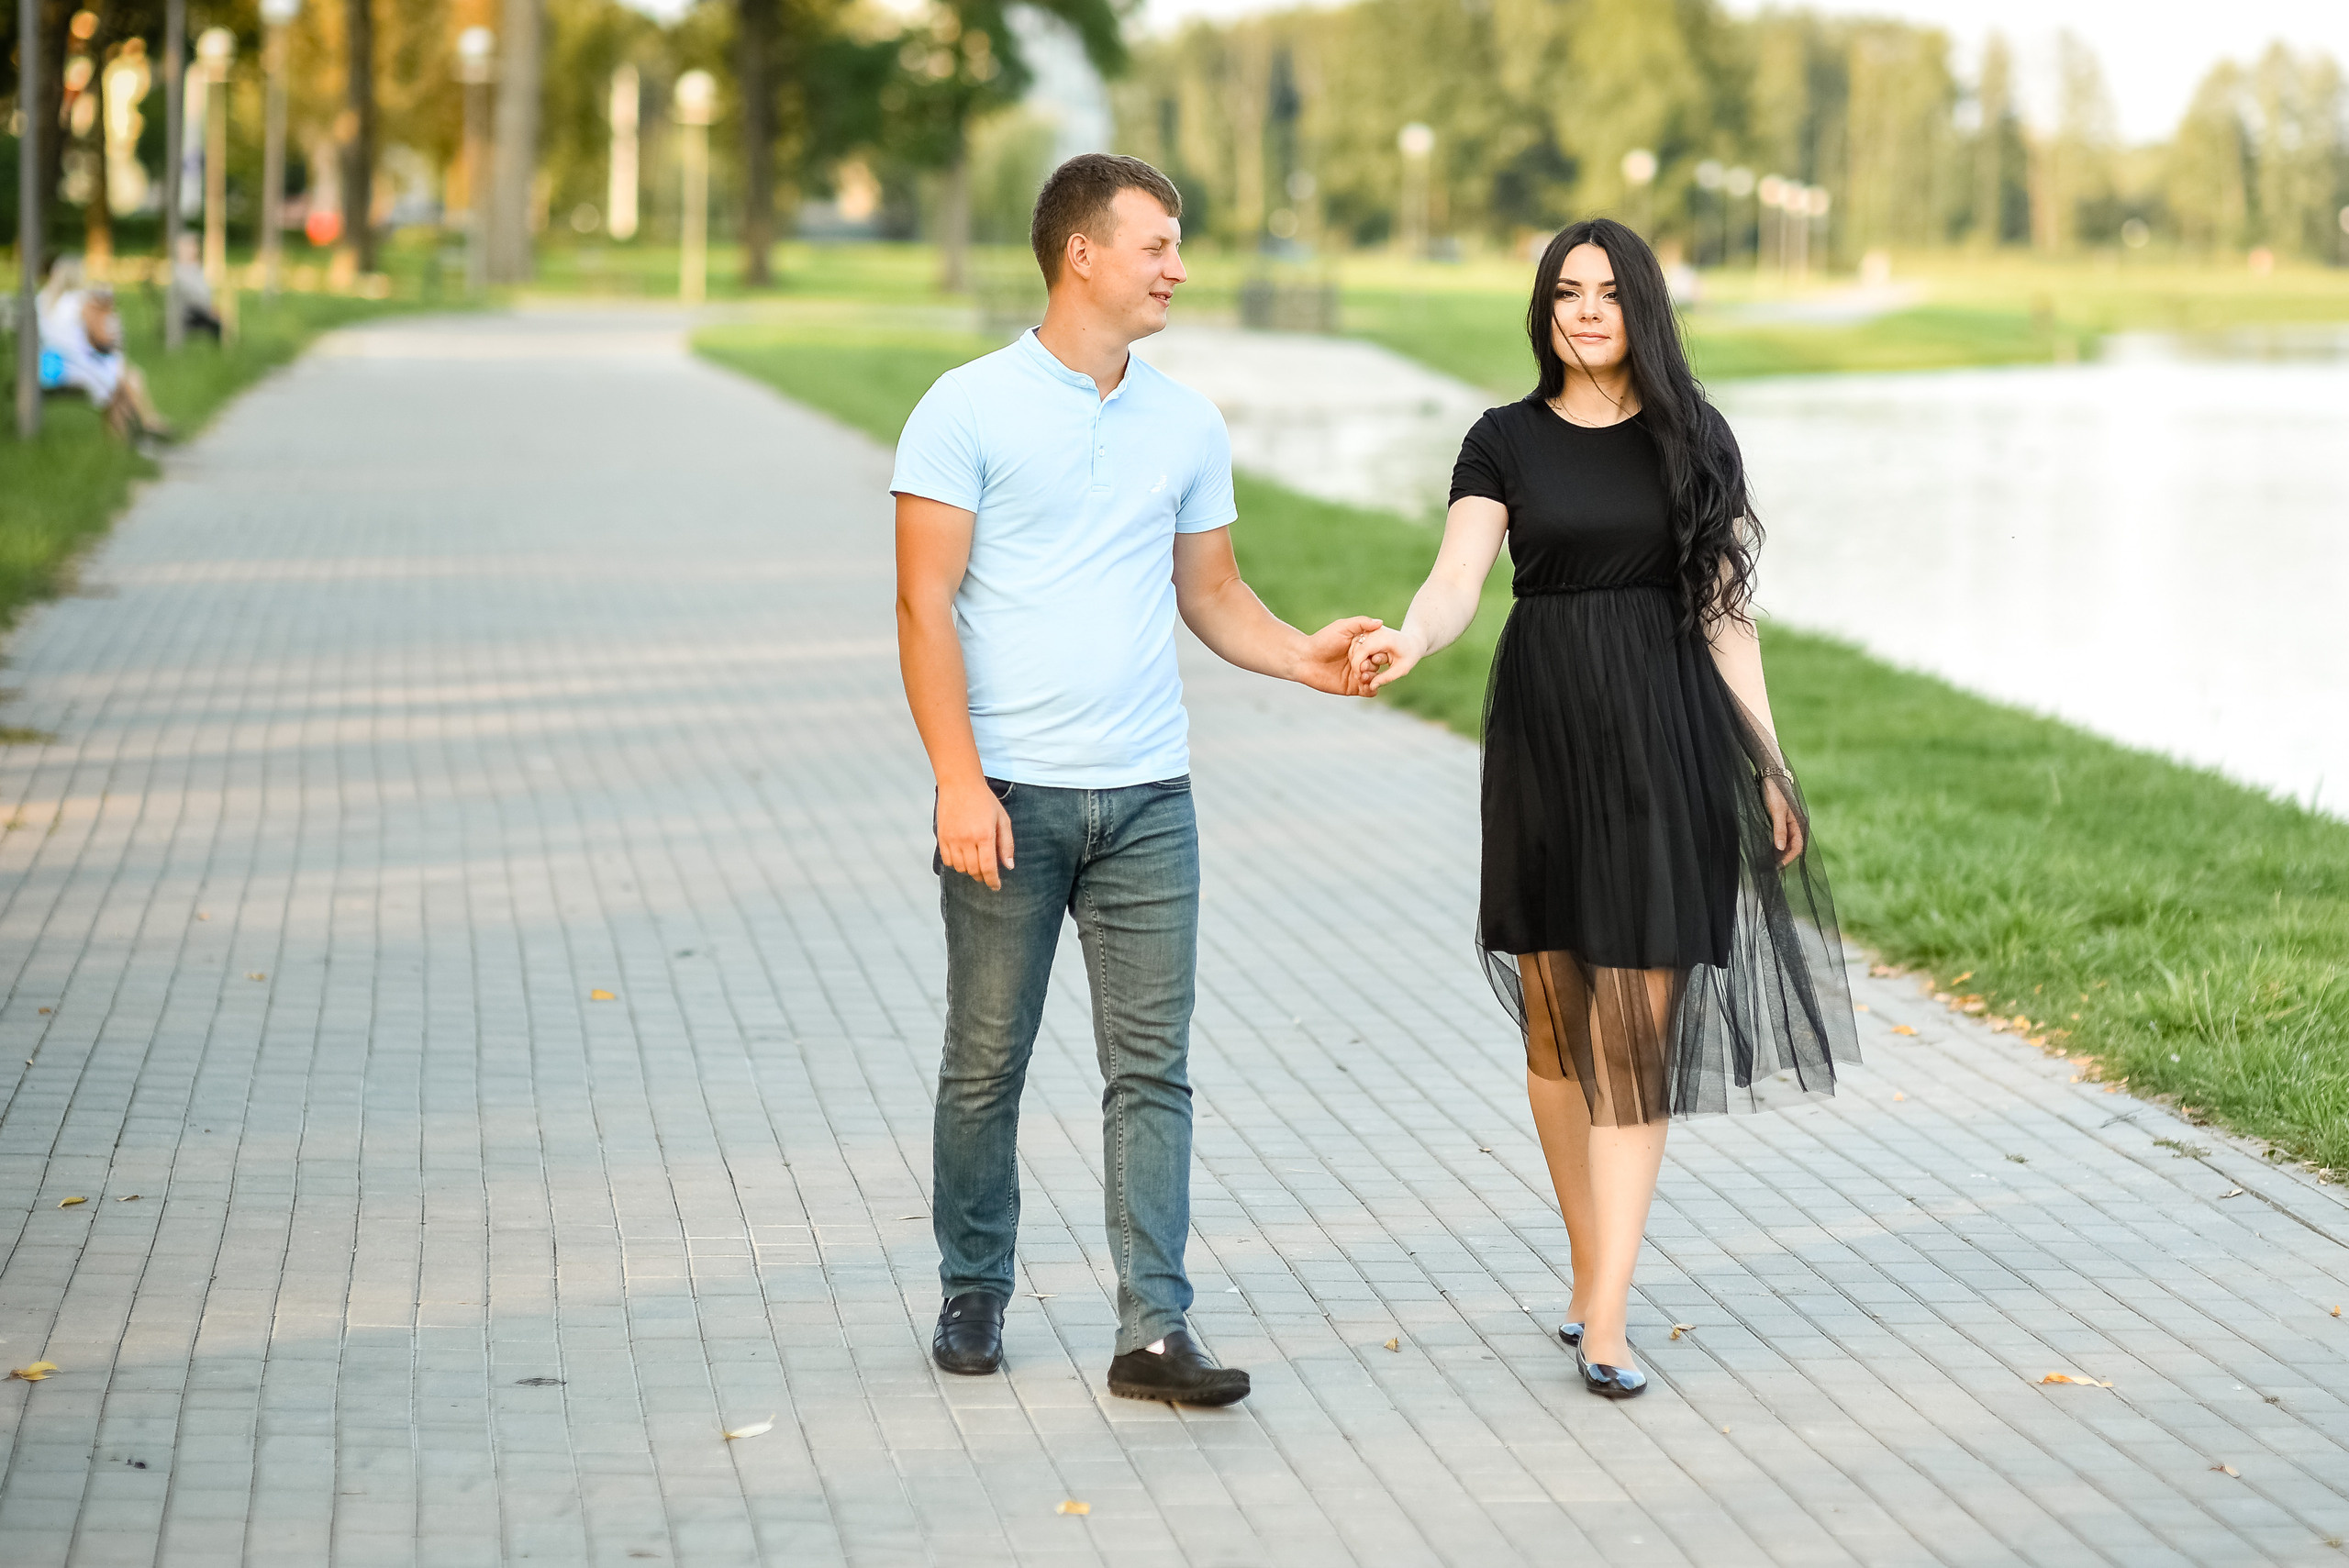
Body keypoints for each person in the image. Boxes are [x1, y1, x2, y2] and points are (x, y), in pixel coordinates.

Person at [891, 153, 1381, 1406]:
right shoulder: (965, 407)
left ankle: (1153, 1330)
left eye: (1177, 245)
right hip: (1010, 795)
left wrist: (1307, 658)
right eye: (1157, 244)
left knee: (1151, 1070)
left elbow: (1212, 594)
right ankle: (974, 1288)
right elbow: (922, 604)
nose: (1179, 267)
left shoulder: (1185, 422)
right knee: (986, 1061)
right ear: (1082, 254)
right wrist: (957, 781)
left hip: (1151, 799)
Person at [1348, 217, 1858, 1400]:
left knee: (1632, 1034)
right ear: (1544, 308)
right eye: (1567, 291)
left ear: (1644, 309)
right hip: (1544, 741)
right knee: (1555, 1026)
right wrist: (1410, 637)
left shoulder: (1695, 439)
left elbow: (1726, 613)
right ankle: (1590, 1269)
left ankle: (1611, 1314)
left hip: (1666, 743)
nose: (1586, 311)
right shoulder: (1502, 439)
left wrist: (1769, 761)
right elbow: (1456, 578)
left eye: (1609, 292)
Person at [38, 258, 174, 442]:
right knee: (126, 376)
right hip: (75, 366)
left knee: (125, 375)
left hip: (49, 367)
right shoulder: (78, 302)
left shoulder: (41, 301)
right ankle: (143, 425)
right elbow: (102, 337)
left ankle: (136, 431)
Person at [170, 234, 225, 342]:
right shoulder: (180, 271)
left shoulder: (196, 268)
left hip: (202, 309)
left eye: (195, 246)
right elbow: (189, 296)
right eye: (191, 247)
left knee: (219, 317)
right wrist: (208, 309)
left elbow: (205, 291)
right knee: (216, 321)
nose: (194, 249)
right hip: (191, 312)